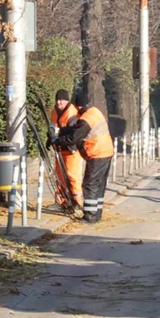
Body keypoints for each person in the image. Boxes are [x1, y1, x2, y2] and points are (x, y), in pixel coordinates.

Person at [55, 90, 113, 223]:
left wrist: (58, 140)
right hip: (106, 152)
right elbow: (76, 128)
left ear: (78, 106)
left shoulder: (87, 119)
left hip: (96, 154)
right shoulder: (94, 112)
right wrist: (60, 131)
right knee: (99, 184)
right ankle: (97, 213)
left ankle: (90, 216)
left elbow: (74, 137)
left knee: (89, 184)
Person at [49, 88, 84, 215]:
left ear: (66, 100)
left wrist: (61, 140)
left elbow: (74, 134)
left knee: (72, 176)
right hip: (59, 149)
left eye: (61, 100)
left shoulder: (72, 113)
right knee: (59, 176)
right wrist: (51, 138)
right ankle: (61, 202)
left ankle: (77, 202)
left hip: (71, 150)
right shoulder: (55, 111)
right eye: (57, 100)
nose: (58, 102)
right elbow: (53, 128)